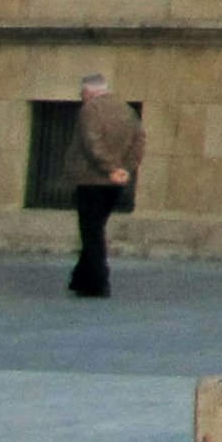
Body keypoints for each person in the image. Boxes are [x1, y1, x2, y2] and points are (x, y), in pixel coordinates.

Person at [60, 73, 142, 297]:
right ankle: (80, 278)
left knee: (91, 230)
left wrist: (110, 168)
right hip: (116, 182)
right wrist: (126, 169)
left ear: (88, 91)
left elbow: (92, 143)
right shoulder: (127, 110)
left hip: (91, 179)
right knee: (96, 227)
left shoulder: (90, 110)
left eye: (82, 93)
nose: (81, 97)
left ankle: (97, 281)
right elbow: (138, 141)